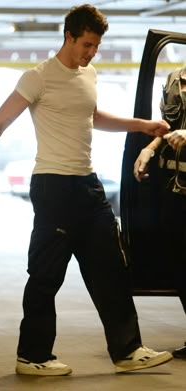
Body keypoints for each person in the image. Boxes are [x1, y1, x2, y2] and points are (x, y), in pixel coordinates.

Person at [0, 4, 172, 376]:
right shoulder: (38, 78)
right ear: (69, 36)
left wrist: (142, 125)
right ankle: (33, 355)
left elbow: (92, 117)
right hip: (53, 186)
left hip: (88, 185)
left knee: (111, 268)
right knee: (46, 274)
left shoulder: (88, 75)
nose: (92, 53)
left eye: (96, 47)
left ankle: (128, 349)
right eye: (87, 44)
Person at [134, 69, 186, 360]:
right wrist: (150, 148)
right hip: (173, 188)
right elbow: (169, 128)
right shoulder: (173, 80)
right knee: (178, 264)